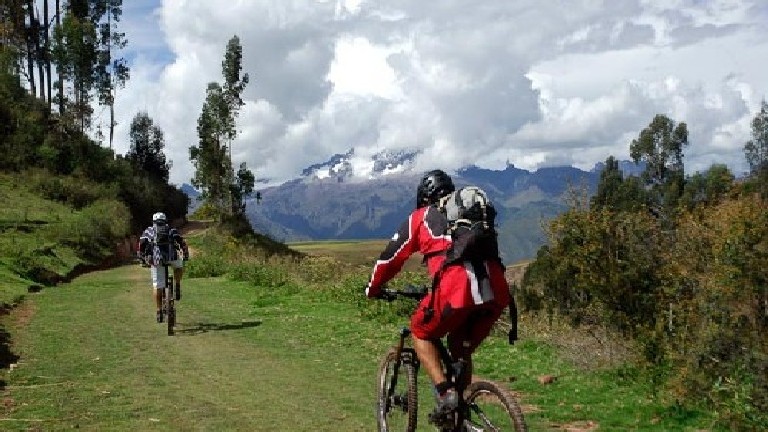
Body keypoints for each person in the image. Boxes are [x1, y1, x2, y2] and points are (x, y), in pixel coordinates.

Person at [365, 169, 511, 416]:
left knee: (420, 331)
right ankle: (458, 413)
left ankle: (446, 393)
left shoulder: (422, 217)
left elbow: (390, 258)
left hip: (455, 289)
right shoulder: (469, 218)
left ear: (424, 197)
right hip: (495, 291)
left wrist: (373, 288)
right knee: (458, 345)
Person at [138, 212, 189, 323]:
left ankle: (159, 311)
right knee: (179, 267)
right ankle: (177, 285)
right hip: (172, 258)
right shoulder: (171, 229)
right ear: (165, 220)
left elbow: (141, 244)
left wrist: (142, 258)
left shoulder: (149, 231)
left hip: (157, 261)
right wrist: (185, 255)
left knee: (157, 286)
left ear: (153, 221)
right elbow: (182, 242)